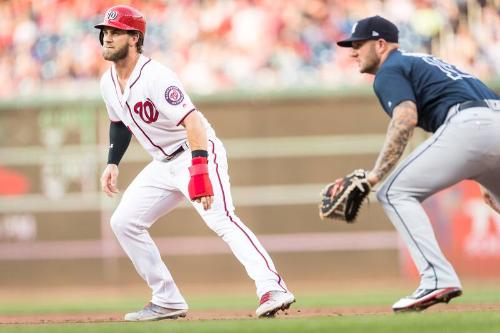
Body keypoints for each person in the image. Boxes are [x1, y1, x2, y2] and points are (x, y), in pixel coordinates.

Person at [95, 5, 294, 321]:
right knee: (124, 222)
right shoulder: (108, 82)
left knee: (221, 218)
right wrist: (112, 162)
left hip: (194, 150)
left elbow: (194, 123)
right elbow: (119, 123)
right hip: (163, 163)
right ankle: (167, 299)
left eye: (115, 31)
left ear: (134, 37)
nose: (107, 37)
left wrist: (200, 168)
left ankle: (273, 287)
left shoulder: (156, 76)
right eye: (105, 31)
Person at [336, 15, 500, 312]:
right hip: (491, 121)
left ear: (381, 44)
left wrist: (374, 177)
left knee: (393, 193)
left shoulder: (389, 70)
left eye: (359, 44)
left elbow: (406, 119)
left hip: (469, 124)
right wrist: (487, 173)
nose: (353, 51)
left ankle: (437, 278)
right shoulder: (424, 62)